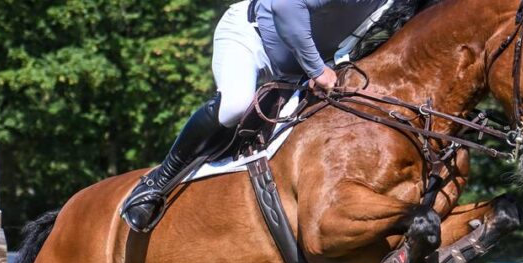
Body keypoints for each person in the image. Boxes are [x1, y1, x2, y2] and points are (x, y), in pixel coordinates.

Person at [121, 0, 395, 232]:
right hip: (252, 38)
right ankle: (157, 182)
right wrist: (316, 70)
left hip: (302, 68)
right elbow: (285, 7)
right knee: (235, 106)